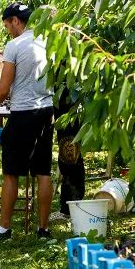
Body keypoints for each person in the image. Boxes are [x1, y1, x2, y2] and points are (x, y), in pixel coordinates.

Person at [0, 2, 54, 240]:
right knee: (43, 172)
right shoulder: (48, 42)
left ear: (15, 20)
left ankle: (4, 229)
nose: (8, 30)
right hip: (46, 111)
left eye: (7, 25)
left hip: (23, 114)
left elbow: (4, 88)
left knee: (11, 172)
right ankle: (43, 229)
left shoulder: (14, 45)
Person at [50, 84, 85, 222]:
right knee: (68, 160)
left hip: (69, 110)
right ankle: (70, 207)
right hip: (66, 109)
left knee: (70, 160)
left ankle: (69, 209)